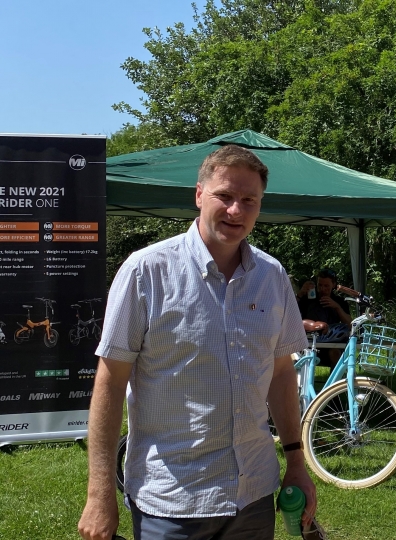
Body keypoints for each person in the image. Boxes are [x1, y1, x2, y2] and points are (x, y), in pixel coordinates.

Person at [78, 145, 317, 540]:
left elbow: (279, 371)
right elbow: (110, 381)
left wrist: (295, 462)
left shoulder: (272, 276)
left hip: (254, 495)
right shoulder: (146, 271)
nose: (236, 211)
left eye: (249, 200)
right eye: (224, 196)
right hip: (173, 503)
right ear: (199, 195)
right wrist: (99, 490)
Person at [296, 269, 353, 367]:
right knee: (299, 352)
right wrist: (300, 294)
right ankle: (302, 380)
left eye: (326, 286)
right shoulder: (309, 298)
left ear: (333, 285)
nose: (322, 289)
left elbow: (350, 324)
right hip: (309, 341)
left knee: (335, 353)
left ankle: (336, 381)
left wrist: (337, 307)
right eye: (320, 285)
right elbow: (290, 313)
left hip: (331, 342)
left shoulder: (339, 301)